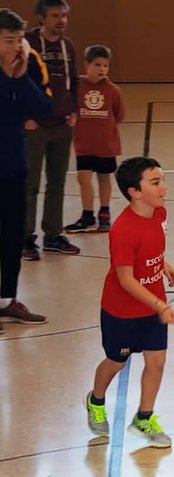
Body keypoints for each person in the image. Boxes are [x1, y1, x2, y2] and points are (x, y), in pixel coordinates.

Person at [84, 156, 174, 449]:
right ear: (134, 192)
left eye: (162, 179)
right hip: (123, 311)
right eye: (155, 182)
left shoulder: (160, 213)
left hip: (151, 305)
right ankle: (96, 400)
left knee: (157, 361)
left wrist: (163, 263)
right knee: (116, 361)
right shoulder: (123, 230)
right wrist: (160, 305)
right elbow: (125, 279)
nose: (164, 187)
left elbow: (151, 244)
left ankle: (144, 417)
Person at [0, 7, 52, 329]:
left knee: (11, 236)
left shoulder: (28, 63)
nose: (16, 48)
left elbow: (44, 107)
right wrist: (7, 79)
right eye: (8, 40)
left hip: (13, 165)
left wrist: (20, 78)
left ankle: (7, 300)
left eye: (20, 40)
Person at [24, 0, 80, 260]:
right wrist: (24, 115)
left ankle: (53, 235)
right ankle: (25, 238)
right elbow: (16, 81)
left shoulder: (67, 46)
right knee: (30, 184)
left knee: (57, 182)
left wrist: (75, 110)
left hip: (62, 124)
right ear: (41, 18)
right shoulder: (26, 45)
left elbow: (74, 82)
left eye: (64, 16)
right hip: (34, 126)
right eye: (56, 15)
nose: (62, 20)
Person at [65, 45, 123, 234]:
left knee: (104, 177)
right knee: (83, 178)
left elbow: (119, 115)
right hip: (84, 144)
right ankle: (87, 214)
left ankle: (104, 213)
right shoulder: (78, 85)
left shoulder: (112, 90)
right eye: (97, 65)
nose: (102, 69)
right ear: (86, 65)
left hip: (105, 145)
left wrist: (106, 129)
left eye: (105, 66)